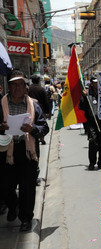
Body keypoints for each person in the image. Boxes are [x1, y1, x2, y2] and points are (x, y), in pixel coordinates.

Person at [0, 71, 49, 231]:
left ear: (25, 87)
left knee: (27, 186)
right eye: (13, 84)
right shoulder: (1, 105)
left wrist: (32, 128)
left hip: (28, 150)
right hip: (6, 151)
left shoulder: (33, 105)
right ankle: (13, 206)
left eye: (20, 84)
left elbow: (44, 127)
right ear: (8, 86)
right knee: (5, 185)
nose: (17, 87)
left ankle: (26, 218)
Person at [79, 76, 101, 170]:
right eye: (95, 82)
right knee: (93, 142)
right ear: (92, 83)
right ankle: (92, 162)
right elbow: (81, 107)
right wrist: (84, 97)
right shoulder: (87, 93)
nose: (97, 84)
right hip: (92, 123)